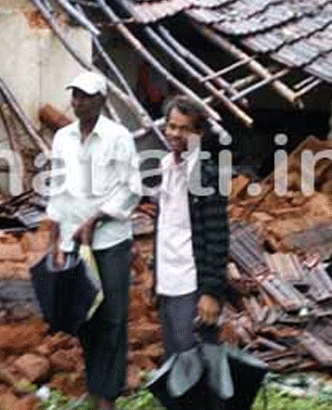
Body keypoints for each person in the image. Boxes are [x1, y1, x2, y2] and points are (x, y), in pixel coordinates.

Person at [46, 71, 141, 410]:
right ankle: (94, 387)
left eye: (85, 96)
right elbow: (56, 190)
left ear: (102, 100)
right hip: (74, 244)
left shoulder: (118, 138)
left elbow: (131, 188)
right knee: (85, 318)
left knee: (112, 320)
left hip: (110, 244)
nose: (77, 101)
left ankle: (108, 397)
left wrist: (96, 218)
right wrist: (53, 242)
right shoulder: (63, 138)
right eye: (74, 95)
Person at [153, 95, 229, 357]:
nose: (176, 134)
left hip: (191, 284)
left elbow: (218, 238)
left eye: (184, 129)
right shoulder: (166, 167)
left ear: (198, 133)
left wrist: (210, 292)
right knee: (176, 364)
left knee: (198, 365)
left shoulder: (207, 175)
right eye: (172, 126)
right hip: (167, 282)